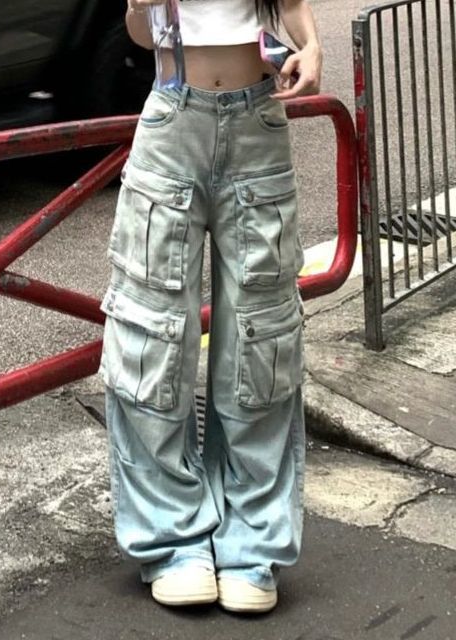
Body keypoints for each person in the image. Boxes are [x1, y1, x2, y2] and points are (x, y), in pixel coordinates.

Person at [99, 0, 322, 614]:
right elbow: (141, 32)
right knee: (151, 334)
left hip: (259, 121)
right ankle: (174, 540)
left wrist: (311, 47)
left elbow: (290, 4)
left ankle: (252, 544)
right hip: (174, 119)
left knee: (262, 338)